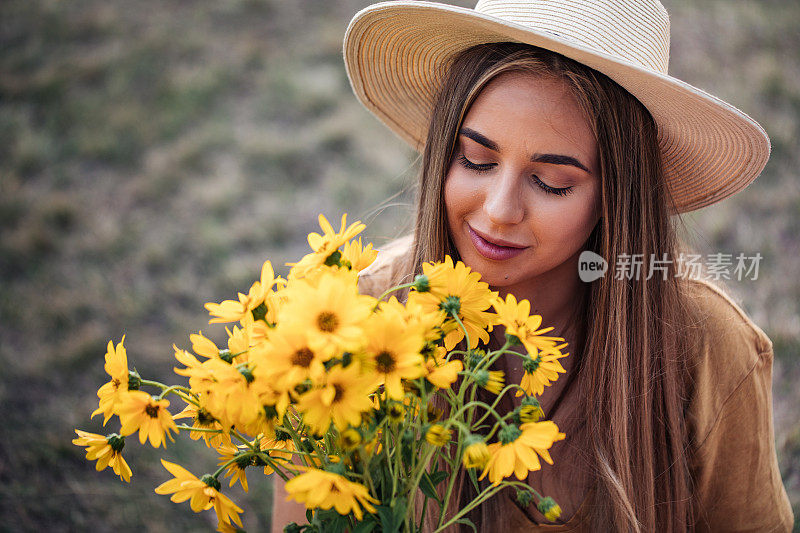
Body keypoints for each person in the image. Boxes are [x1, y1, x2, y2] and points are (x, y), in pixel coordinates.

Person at [272, 1, 794, 531]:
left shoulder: (707, 346)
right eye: (475, 159)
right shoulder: (346, 322)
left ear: (616, 196)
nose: (499, 212)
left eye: (552, 182)